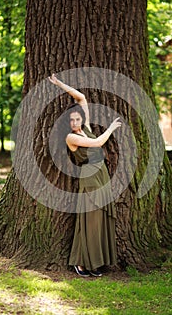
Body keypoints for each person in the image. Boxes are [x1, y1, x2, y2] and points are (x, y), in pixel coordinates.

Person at [48, 73, 121, 277]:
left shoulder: (85, 127)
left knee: (101, 221)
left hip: (102, 175)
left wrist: (60, 83)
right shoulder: (71, 138)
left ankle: (96, 262)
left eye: (77, 118)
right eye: (71, 120)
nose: (75, 122)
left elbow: (81, 98)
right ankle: (81, 263)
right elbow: (98, 143)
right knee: (90, 220)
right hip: (89, 178)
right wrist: (112, 129)